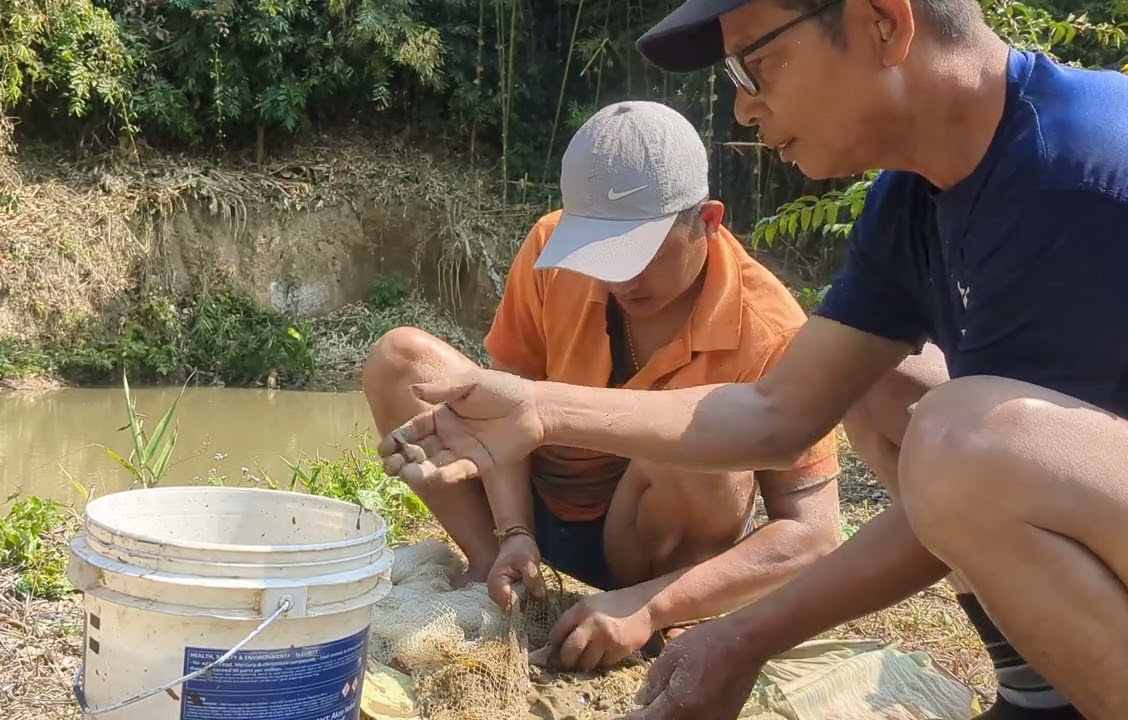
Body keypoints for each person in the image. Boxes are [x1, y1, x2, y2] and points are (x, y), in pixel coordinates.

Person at [375, 0, 1128, 718]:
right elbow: (777, 411)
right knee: (892, 388)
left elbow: (966, 481)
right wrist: (540, 408)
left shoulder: (1077, 173)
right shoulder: (908, 203)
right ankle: (1044, 693)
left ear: (881, 23)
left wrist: (736, 634)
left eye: (757, 66)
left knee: (960, 433)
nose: (744, 109)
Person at [362, 100, 843, 672]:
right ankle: (501, 577)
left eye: (640, 254)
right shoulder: (549, 249)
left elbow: (812, 533)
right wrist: (514, 530)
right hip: (539, 498)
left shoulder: (772, 333)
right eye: (601, 254)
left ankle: (643, 610)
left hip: (649, 537)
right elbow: (497, 404)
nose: (621, 279)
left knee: (700, 436)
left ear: (708, 222)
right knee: (400, 359)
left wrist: (649, 604)